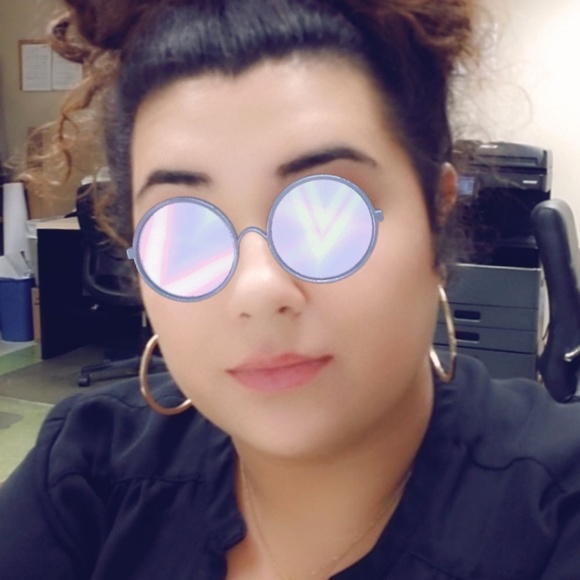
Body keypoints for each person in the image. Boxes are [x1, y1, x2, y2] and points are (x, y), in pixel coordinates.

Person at [1, 1, 580, 578]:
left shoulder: (555, 512)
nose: (257, 290)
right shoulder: (83, 474)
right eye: (185, 230)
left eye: (328, 211)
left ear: (436, 212)